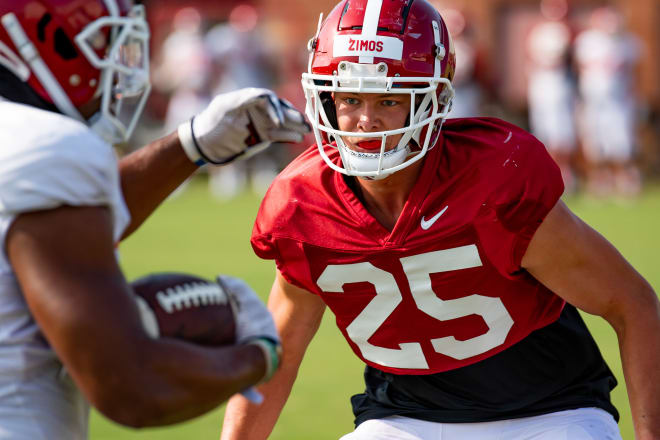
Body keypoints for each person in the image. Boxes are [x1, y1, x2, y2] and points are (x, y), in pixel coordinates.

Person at [220, 1, 660, 439]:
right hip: (403, 419)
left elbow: (633, 305)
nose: (366, 121)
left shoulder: (493, 181)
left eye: (389, 99)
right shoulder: (304, 204)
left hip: (551, 413)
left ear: (434, 98)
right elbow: (277, 355)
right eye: (350, 98)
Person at [0, 0, 309, 438]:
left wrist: (191, 146)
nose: (115, 64)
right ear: (47, 41)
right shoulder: (47, 147)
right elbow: (130, 385)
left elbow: (54, 229)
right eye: (104, 43)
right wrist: (258, 355)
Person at [573, 6, 642, 197]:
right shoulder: (587, 42)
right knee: (595, 141)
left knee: (621, 141)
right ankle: (599, 180)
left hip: (619, 102)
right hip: (594, 100)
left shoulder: (628, 42)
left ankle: (625, 179)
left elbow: (636, 71)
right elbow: (579, 68)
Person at [526, 0, 578, 193]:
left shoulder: (569, 31)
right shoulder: (537, 31)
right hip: (540, 85)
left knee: (562, 130)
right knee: (543, 129)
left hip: (561, 84)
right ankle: (547, 173)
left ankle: (564, 172)